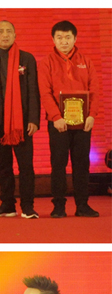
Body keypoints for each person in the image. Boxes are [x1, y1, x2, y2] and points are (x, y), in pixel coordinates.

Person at [37, 20, 100, 217]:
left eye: (67, 37)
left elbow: (95, 90)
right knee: (58, 164)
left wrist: (92, 115)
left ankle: (82, 205)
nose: (63, 41)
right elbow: (45, 93)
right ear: (53, 39)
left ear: (75, 38)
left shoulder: (86, 61)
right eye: (59, 37)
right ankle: (59, 206)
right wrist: (56, 116)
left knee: (82, 164)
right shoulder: (46, 62)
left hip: (83, 123)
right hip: (58, 123)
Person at [0, 20, 40, 220]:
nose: (5, 35)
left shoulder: (27, 58)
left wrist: (33, 119)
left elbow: (33, 90)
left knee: (26, 166)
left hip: (21, 123)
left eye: (8, 31)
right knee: (4, 166)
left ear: (15, 35)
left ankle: (28, 206)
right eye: (0, 32)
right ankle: (7, 204)